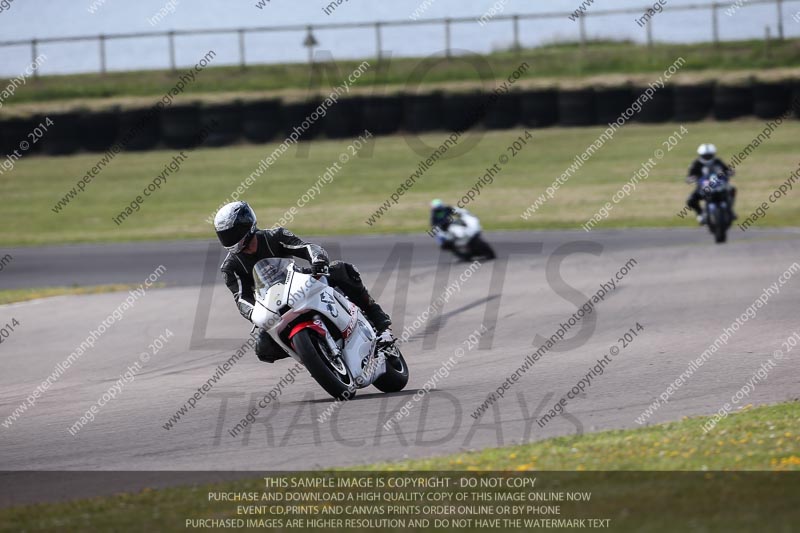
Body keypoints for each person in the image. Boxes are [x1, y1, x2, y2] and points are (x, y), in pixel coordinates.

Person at [214, 201, 395, 363]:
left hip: (298, 281)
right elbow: (241, 298)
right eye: (225, 235)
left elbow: (306, 247)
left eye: (232, 233)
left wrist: (317, 260)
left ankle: (381, 326)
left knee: (341, 270)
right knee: (263, 348)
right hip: (272, 304)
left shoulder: (274, 236)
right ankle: (315, 354)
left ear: (246, 225)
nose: (229, 239)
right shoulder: (230, 267)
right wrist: (255, 313)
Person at [686, 143, 736, 224]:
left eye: (709, 155)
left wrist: (730, 172)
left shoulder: (718, 161)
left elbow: (726, 170)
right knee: (690, 200)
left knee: (732, 189)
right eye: (705, 155)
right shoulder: (696, 163)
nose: (707, 157)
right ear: (701, 155)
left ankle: (730, 210)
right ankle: (700, 214)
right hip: (703, 187)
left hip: (719, 185)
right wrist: (691, 179)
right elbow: (690, 176)